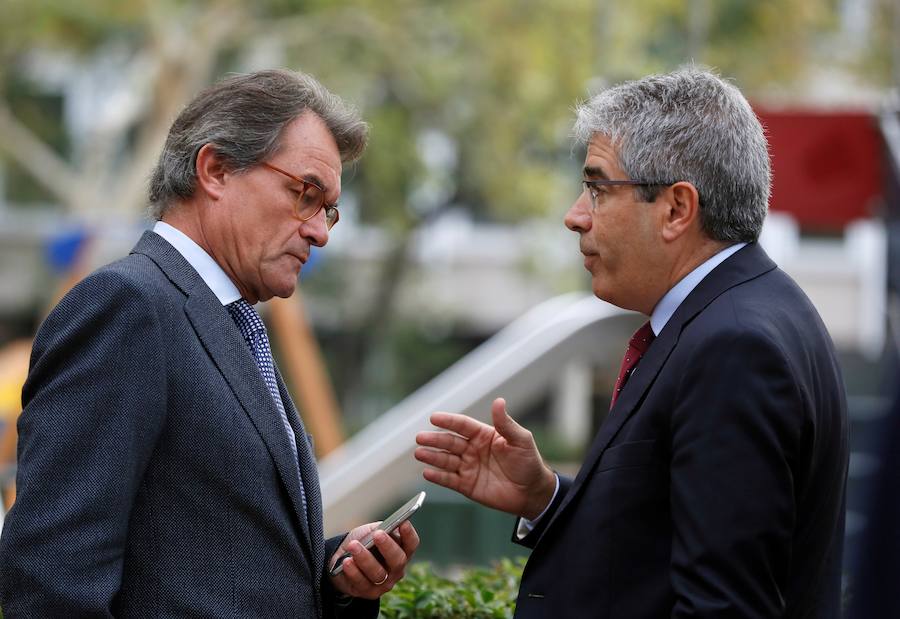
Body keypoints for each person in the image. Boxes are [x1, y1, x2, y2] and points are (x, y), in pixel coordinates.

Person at [415, 68, 848, 618]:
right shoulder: (742, 314)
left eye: (597, 187)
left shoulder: (734, 347)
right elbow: (659, 551)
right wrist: (546, 499)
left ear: (675, 209)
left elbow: (723, 607)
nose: (575, 216)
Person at [0, 69, 418, 617]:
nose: (320, 232)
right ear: (215, 169)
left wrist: (335, 577)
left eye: (328, 210)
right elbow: (51, 578)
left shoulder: (232, 322)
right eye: (305, 195)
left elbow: (212, 567)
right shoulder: (127, 306)